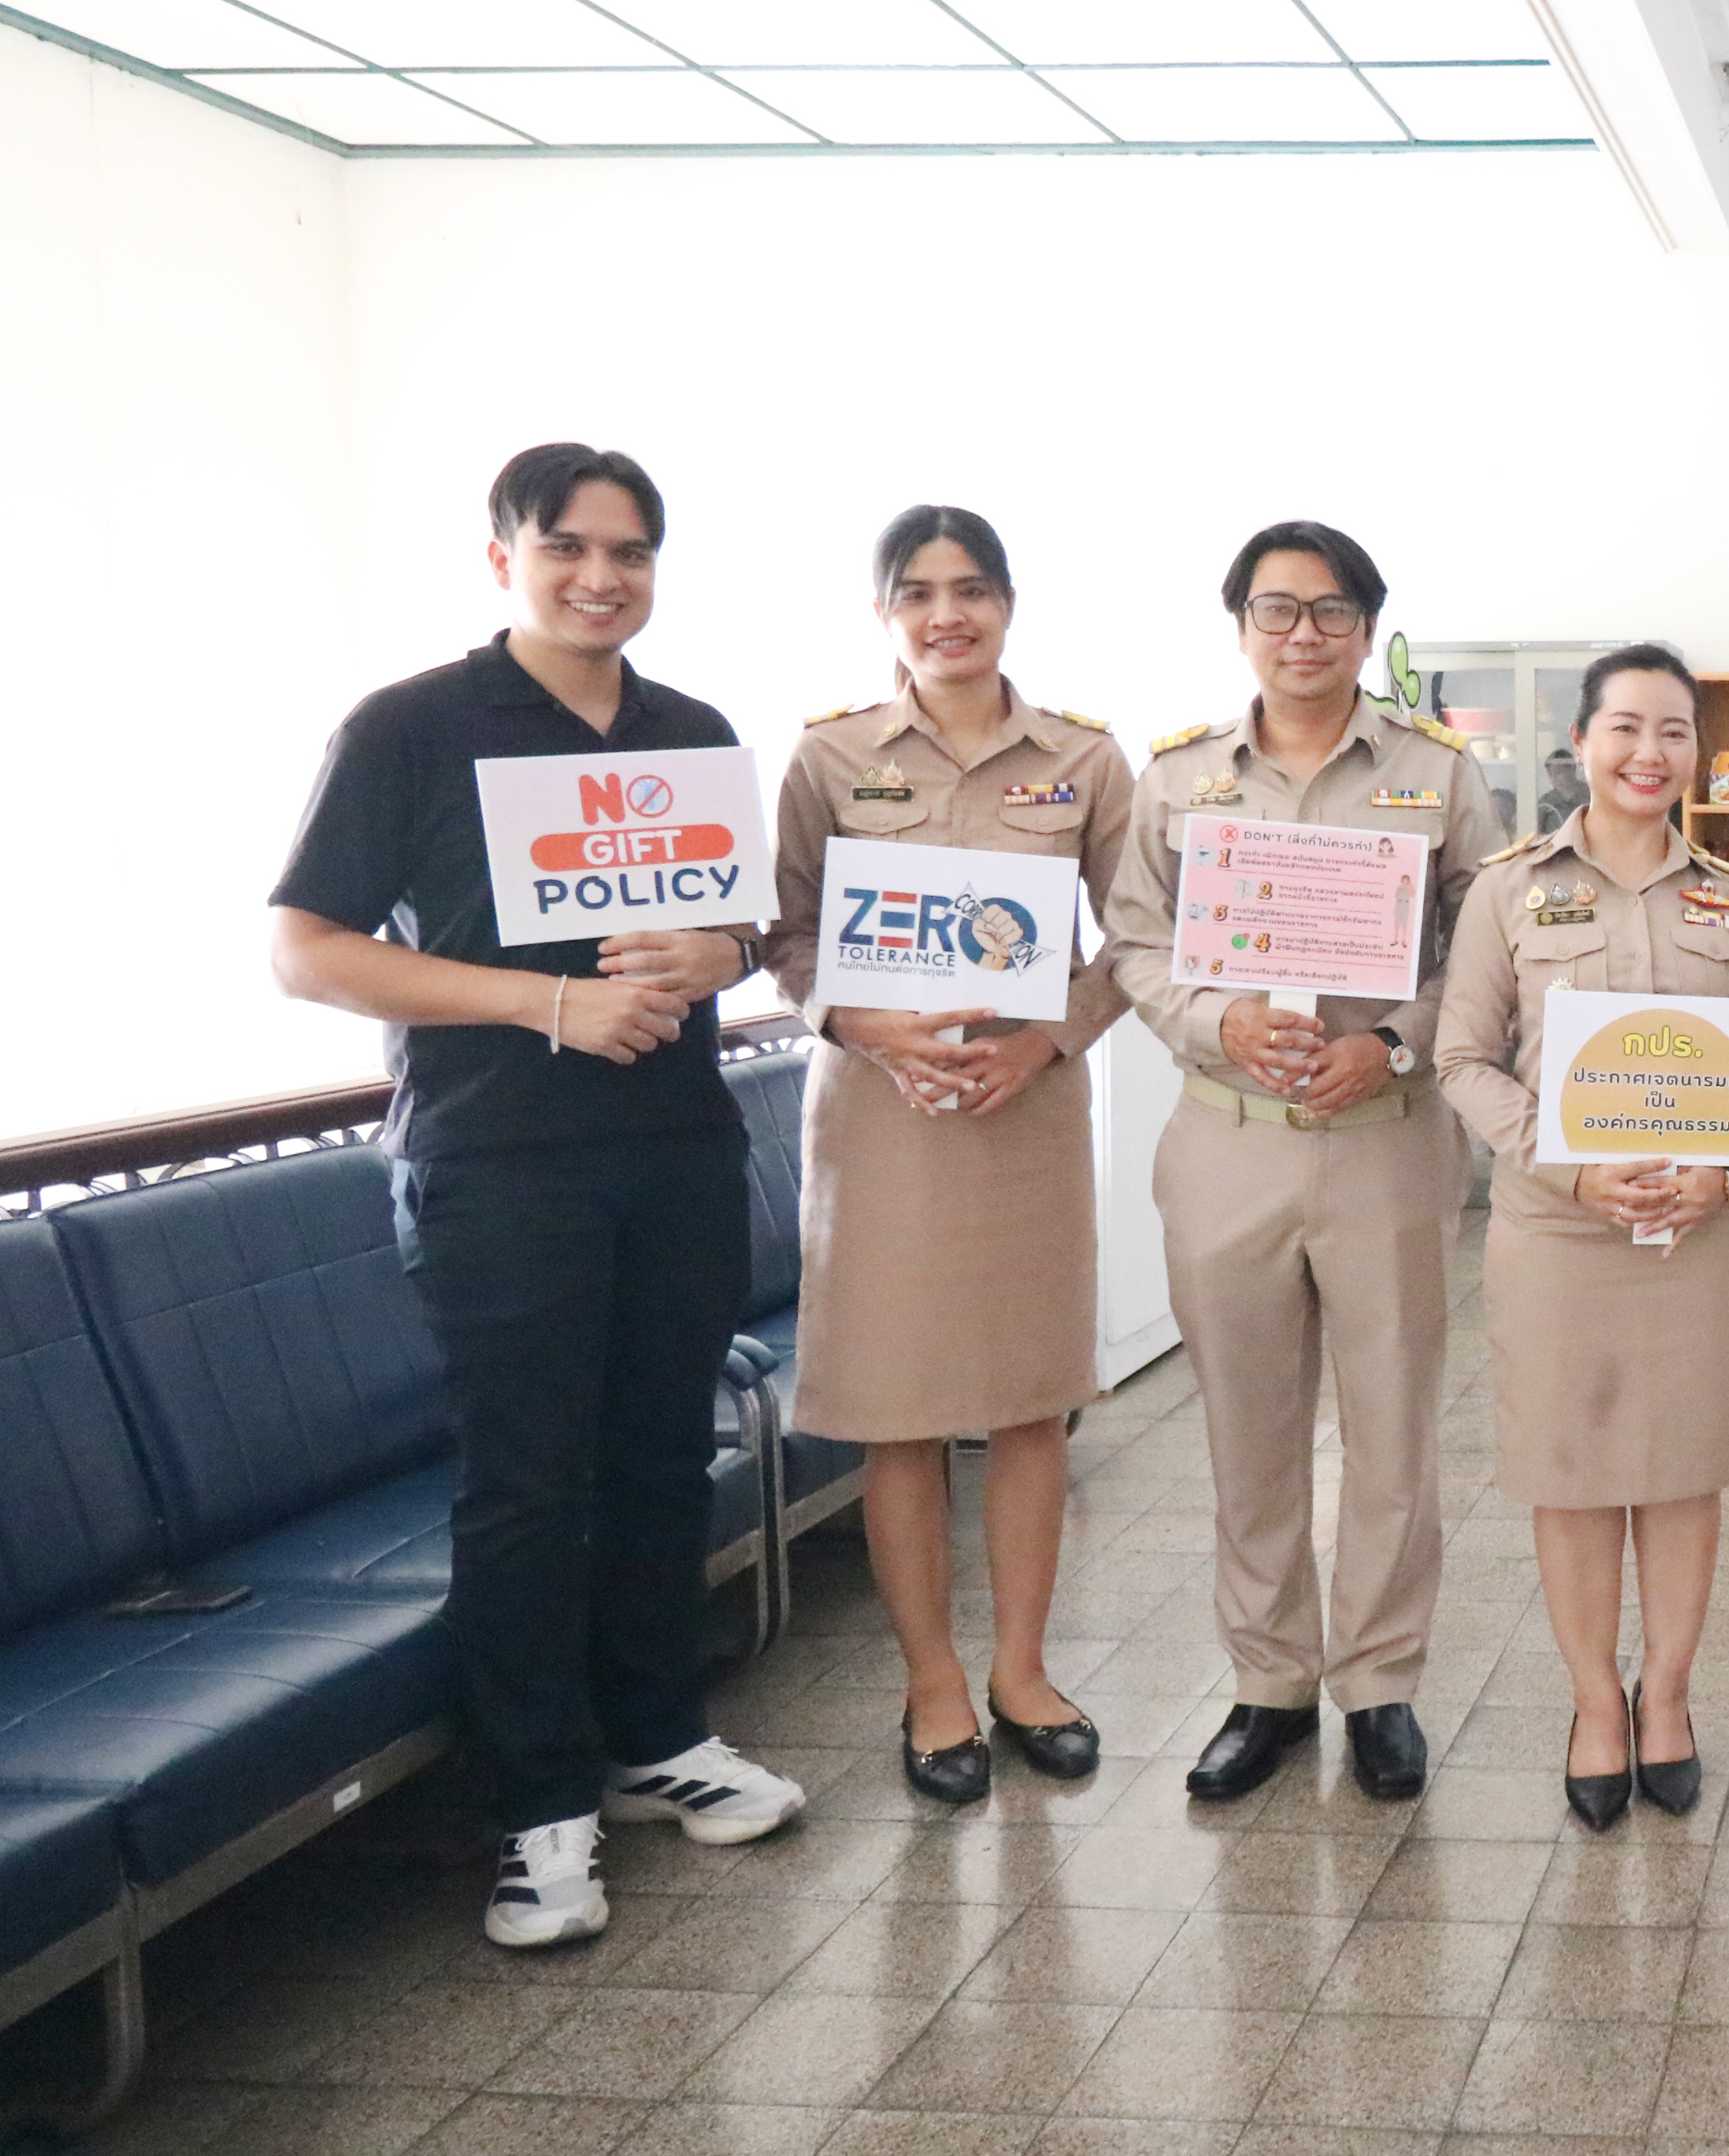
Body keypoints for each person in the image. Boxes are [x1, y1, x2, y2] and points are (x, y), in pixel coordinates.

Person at [267, 443, 805, 1949]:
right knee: (523, 1486)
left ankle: (657, 1740)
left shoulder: (688, 732)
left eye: (629, 551)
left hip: (680, 1151)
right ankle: (535, 1808)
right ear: (500, 554)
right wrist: (539, 1004)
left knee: (656, 1459)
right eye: (567, 546)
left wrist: (723, 952)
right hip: (498, 1163)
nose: (600, 576)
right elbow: (306, 950)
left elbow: (742, 923)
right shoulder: (413, 728)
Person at [1104, 521, 1506, 1806]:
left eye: (1331, 613)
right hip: (1230, 1144)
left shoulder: (1437, 775)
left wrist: (1392, 1045)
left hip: (1385, 1143)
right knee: (1249, 1427)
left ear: (1367, 631)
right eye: (1277, 612)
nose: (1303, 636)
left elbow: (1489, 960)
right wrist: (1214, 1020)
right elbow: (1133, 946)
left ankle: (1381, 1683)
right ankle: (1268, 1682)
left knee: (1391, 1432)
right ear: (1240, 631)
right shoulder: (1178, 781)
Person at [762, 506, 1131, 1805]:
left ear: (1010, 603)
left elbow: (1134, 938)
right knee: (900, 1413)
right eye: (915, 593)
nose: (945, 614)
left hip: (1024, 1114)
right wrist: (862, 1024)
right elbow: (782, 937)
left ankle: (1024, 1673)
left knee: (1032, 1401)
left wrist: (1047, 1046)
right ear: (884, 616)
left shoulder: (1083, 758)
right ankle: (932, 1686)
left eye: (970, 588)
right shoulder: (828, 756)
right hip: (881, 1118)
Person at [1433, 645, 1729, 1827]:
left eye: (1675, 731)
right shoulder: (1507, 890)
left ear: (1695, 752)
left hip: (1694, 1233)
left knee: (1682, 1475)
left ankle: (1667, 1697)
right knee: (1570, 1476)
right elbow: (1461, 1058)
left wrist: (1722, 1170)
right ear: (1583, 742)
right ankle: (1593, 1702)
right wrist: (1571, 1166)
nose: (1649, 753)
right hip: (1555, 1234)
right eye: (1626, 727)